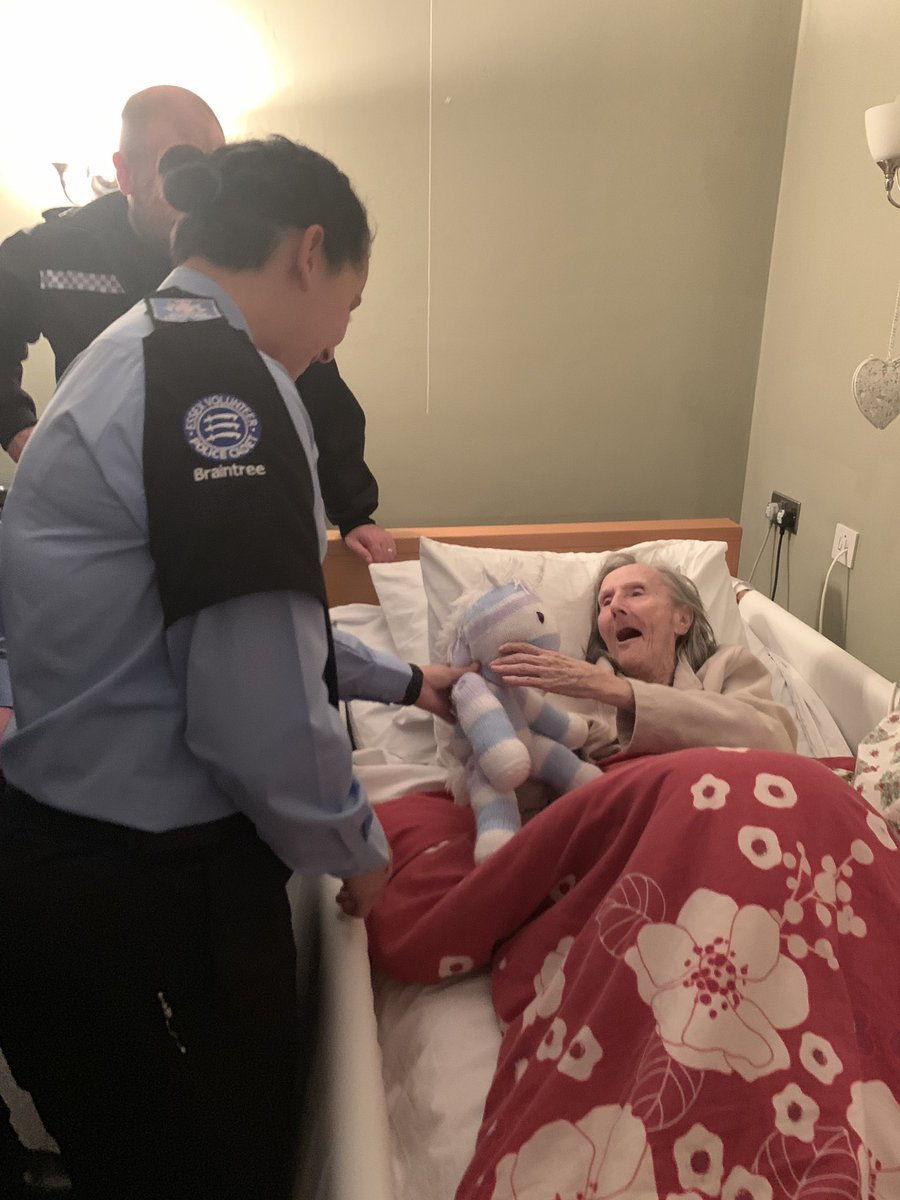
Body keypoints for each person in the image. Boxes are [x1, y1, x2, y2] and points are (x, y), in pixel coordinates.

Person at [0, 136, 467, 1200]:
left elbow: (222, 622)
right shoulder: (226, 388)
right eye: (350, 306)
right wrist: (359, 855)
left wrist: (406, 681)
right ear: (310, 252)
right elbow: (253, 706)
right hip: (144, 890)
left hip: (65, 862)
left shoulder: (134, 347)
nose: (337, 338)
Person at [0, 85, 395, 563]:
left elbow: (311, 373)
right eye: (181, 165)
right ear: (124, 172)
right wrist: (17, 427)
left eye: (216, 169)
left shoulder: (242, 265)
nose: (205, 189)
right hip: (111, 510)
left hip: (218, 491)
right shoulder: (56, 249)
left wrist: (355, 511)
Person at [492, 553, 797, 758]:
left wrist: (625, 694)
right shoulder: (574, 690)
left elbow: (775, 742)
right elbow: (530, 769)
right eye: (605, 601)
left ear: (682, 619)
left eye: (636, 593)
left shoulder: (728, 666)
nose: (615, 607)